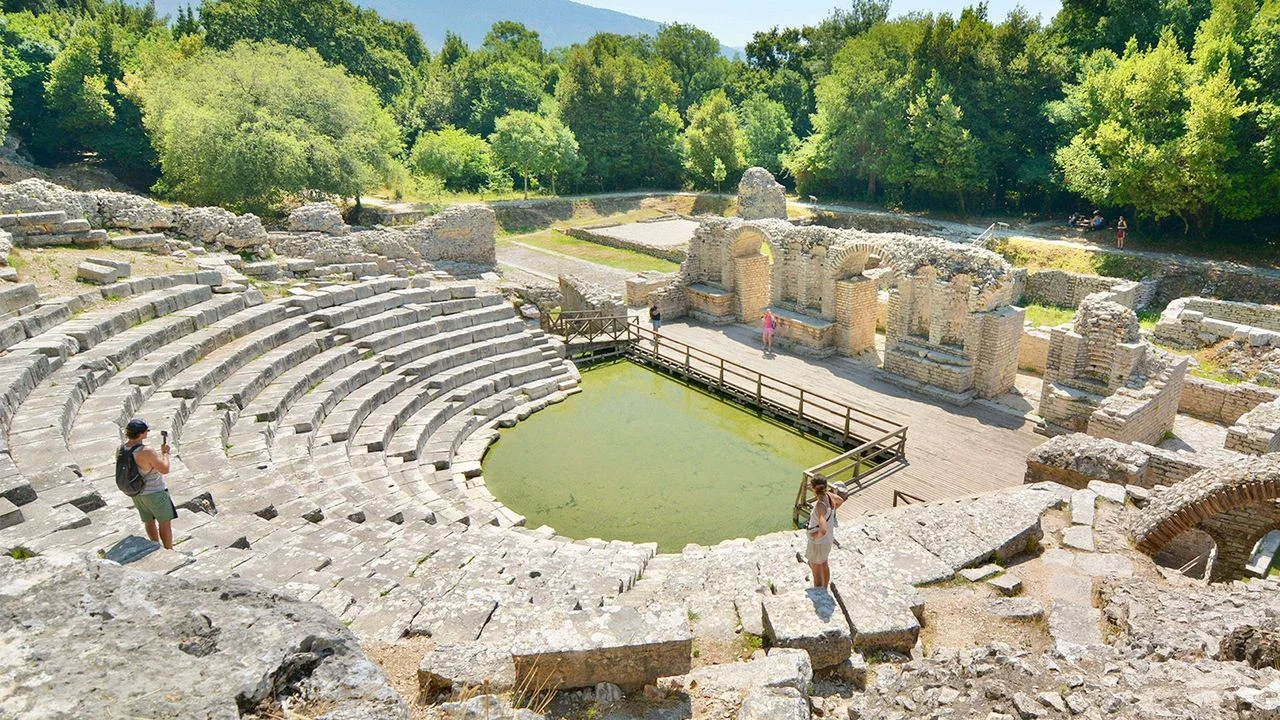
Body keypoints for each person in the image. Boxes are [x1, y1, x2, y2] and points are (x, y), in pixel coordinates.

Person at [120, 418, 176, 550]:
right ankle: (169, 550)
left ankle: (155, 545)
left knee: (148, 520)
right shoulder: (146, 451)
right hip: (154, 492)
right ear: (140, 434)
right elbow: (164, 469)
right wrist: (165, 453)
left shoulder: (121, 449)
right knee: (164, 522)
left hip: (137, 492)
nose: (147, 433)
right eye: (146, 431)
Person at [805, 475, 843, 589]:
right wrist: (832, 512)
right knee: (824, 564)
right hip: (828, 540)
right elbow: (840, 500)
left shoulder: (820, 505)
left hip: (819, 542)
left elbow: (823, 528)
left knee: (816, 566)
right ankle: (825, 587)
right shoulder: (830, 496)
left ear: (814, 488)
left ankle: (819, 590)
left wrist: (816, 536)